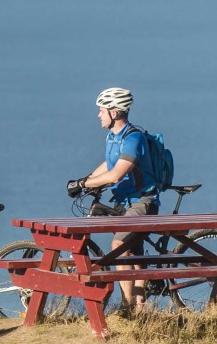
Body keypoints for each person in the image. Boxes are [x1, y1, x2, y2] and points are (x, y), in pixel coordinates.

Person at [66, 87, 158, 312]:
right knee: (134, 254)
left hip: (141, 203)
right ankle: (139, 308)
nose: (98, 114)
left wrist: (84, 184)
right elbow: (108, 165)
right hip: (123, 202)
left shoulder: (133, 138)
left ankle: (127, 306)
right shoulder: (113, 137)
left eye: (101, 110)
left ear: (114, 113)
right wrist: (85, 181)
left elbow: (117, 173)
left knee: (118, 246)